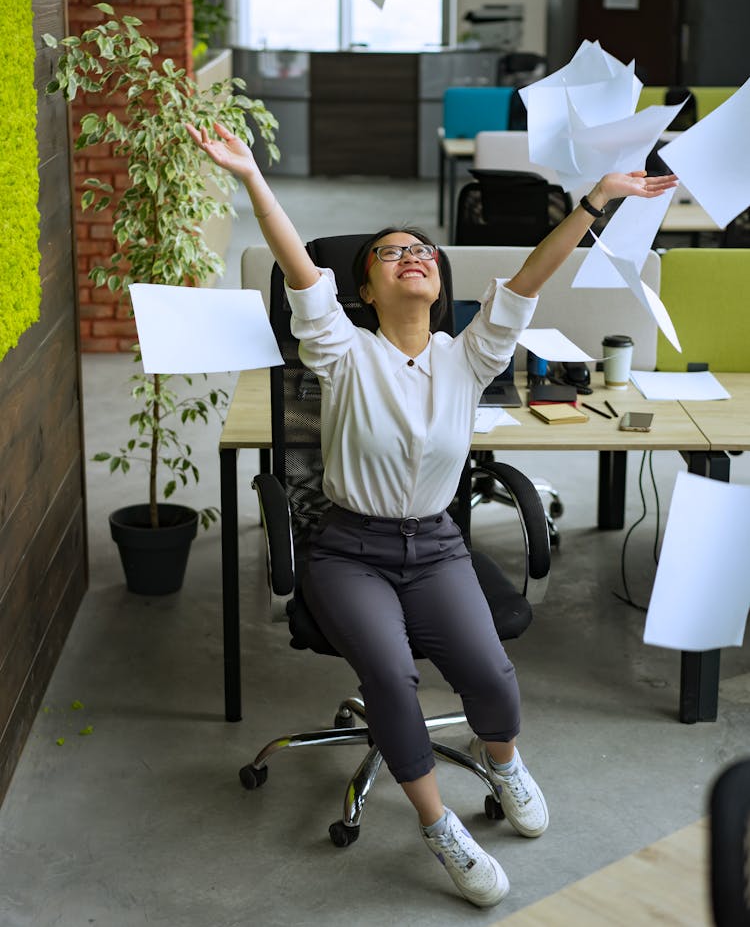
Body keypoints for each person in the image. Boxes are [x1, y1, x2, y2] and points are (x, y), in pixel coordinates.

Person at [187, 121, 677, 909]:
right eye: (389, 252)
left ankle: (507, 763)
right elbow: (296, 266)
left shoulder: (469, 354)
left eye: (422, 250)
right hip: (349, 551)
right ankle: (440, 824)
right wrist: (250, 177)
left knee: (490, 672)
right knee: (390, 673)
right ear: (367, 289)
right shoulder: (340, 349)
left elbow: (530, 277)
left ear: (440, 287)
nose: (411, 254)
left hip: (440, 548)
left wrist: (594, 201)